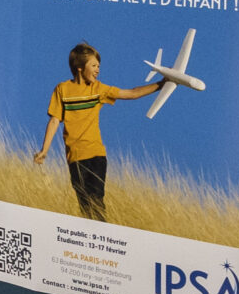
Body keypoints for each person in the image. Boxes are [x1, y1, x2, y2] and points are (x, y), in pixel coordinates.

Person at [32, 42, 165, 220]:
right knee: (84, 204)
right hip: (74, 158)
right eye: (94, 65)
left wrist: (162, 84)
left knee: (96, 199)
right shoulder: (62, 89)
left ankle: (101, 234)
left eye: (99, 66)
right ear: (79, 67)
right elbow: (55, 120)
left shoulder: (98, 89)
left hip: (96, 155)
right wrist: (44, 150)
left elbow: (132, 93)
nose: (97, 70)